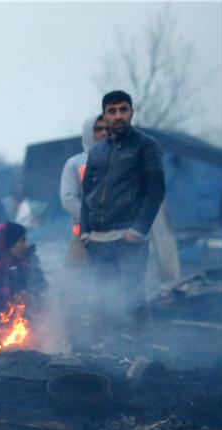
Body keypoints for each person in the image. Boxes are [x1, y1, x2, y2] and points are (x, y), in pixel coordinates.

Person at [80, 90, 165, 333]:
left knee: (133, 296)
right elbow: (87, 193)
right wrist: (85, 232)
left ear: (131, 112)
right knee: (106, 298)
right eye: (112, 111)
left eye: (123, 110)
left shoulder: (146, 146)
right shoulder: (97, 151)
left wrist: (139, 229)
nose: (118, 116)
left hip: (129, 236)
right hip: (98, 238)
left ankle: (142, 347)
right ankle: (112, 354)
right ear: (104, 115)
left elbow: (155, 191)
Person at [60, 114, 108, 266]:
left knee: (114, 281)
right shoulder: (74, 163)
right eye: (98, 129)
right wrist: (91, 218)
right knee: (77, 281)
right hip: (83, 235)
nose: (104, 133)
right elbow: (68, 198)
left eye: (107, 128)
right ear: (88, 132)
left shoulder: (121, 160)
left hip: (116, 235)